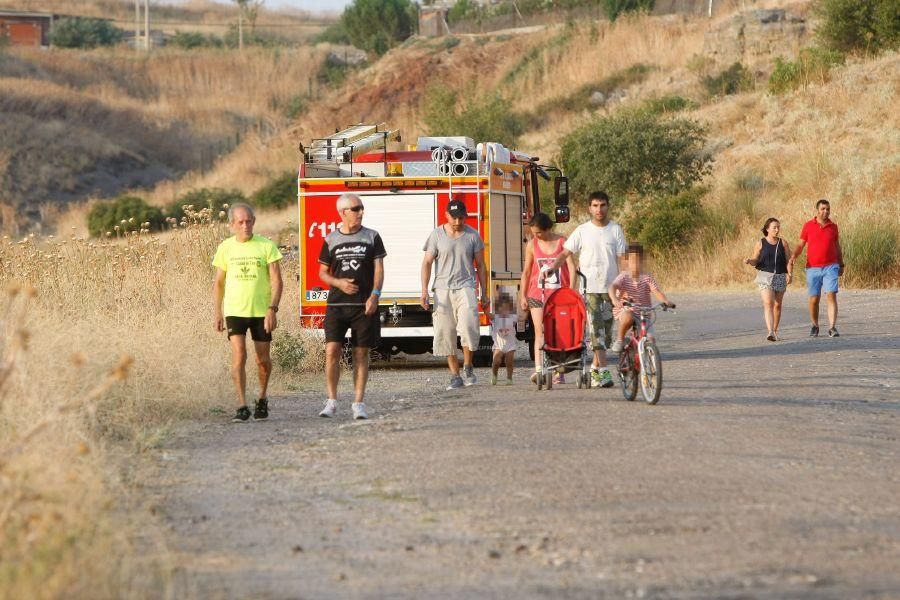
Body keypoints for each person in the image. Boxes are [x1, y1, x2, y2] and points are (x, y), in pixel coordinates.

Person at [543, 191, 626, 388]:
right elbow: (565, 253)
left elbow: (622, 260)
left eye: (603, 205)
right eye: (595, 206)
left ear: (608, 207)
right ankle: (604, 373)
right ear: (589, 208)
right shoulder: (582, 230)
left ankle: (595, 371)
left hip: (610, 289)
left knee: (605, 334)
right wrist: (552, 268)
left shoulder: (615, 230)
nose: (599, 209)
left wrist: (624, 286)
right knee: (595, 332)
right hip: (590, 290)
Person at [317, 193, 386, 420]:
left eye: (361, 208)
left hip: (363, 305)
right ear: (343, 213)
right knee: (331, 351)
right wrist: (340, 283)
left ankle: (358, 403)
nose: (360, 212)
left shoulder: (372, 236)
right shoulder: (331, 240)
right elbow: (322, 273)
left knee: (361, 353)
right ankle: (332, 401)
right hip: (337, 305)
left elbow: (378, 269)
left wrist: (375, 295)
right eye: (356, 209)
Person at [213, 202, 283, 423]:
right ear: (232, 224)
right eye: (241, 222)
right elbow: (218, 282)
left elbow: (277, 280)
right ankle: (242, 405)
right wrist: (218, 311)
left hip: (261, 311)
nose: (246, 225)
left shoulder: (266, 246)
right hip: (235, 310)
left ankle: (261, 398)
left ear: (254, 221)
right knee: (239, 355)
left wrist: (273, 308)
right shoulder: (225, 247)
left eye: (249, 221)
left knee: (262, 360)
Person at [421, 199, 489, 390]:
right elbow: (426, 263)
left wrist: (484, 293)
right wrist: (425, 290)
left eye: (461, 217)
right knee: (445, 331)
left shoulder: (473, 236)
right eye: (454, 217)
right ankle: (454, 375)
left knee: (468, 326)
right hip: (442, 289)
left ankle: (468, 365)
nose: (458, 221)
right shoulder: (436, 235)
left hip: (466, 286)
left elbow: (481, 266)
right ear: (446, 216)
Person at [519, 212, 576, 386]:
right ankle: (539, 369)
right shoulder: (531, 246)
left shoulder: (562, 242)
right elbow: (527, 271)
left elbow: (572, 268)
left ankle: (559, 371)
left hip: (559, 294)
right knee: (540, 331)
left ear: (548, 229)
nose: (536, 236)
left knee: (558, 333)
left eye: (539, 233)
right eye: (533, 233)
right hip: (537, 294)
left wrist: (572, 291)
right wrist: (523, 294)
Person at [790, 199, 844, 337]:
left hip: (831, 266)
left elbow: (837, 246)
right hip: (813, 268)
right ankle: (815, 325)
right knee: (814, 299)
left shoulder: (833, 227)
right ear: (817, 210)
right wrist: (794, 256)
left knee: (831, 295)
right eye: (823, 209)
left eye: (827, 209)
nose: (825, 211)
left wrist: (841, 263)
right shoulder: (808, 226)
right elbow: (801, 244)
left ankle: (832, 327)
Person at [609, 243, 674, 351]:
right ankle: (620, 339)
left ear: (643, 261)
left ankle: (649, 361)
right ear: (627, 262)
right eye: (632, 260)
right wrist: (614, 299)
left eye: (638, 260)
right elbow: (613, 287)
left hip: (644, 312)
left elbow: (656, 291)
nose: (635, 263)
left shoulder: (647, 278)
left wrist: (665, 301)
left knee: (651, 340)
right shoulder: (624, 277)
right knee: (628, 316)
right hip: (627, 309)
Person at [744, 217, 793, 341]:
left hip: (780, 276)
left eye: (778, 227)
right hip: (765, 276)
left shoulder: (783, 243)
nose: (777, 230)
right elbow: (756, 260)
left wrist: (789, 274)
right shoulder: (760, 243)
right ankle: (770, 331)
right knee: (768, 303)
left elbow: (789, 261)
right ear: (767, 229)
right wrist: (750, 261)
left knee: (777, 305)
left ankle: (775, 331)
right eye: (774, 227)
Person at [489, 293, 517, 386]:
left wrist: (526, 310)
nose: (504, 311)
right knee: (496, 361)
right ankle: (494, 375)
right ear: (497, 309)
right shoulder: (496, 318)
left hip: (510, 345)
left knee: (509, 362)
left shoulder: (513, 318)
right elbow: (488, 314)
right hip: (498, 346)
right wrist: (484, 308)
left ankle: (509, 378)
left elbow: (522, 317)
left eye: (506, 309)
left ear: (510, 309)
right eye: (501, 309)